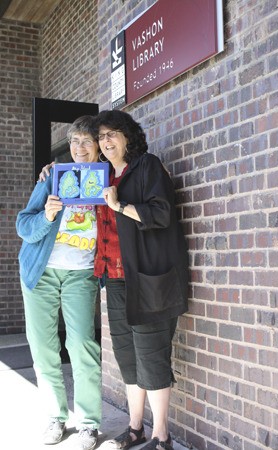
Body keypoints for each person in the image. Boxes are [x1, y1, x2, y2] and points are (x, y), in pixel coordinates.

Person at [94, 109, 189, 450]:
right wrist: (50, 172)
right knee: (127, 357)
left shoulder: (147, 166)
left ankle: (162, 434)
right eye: (101, 136)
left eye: (112, 134)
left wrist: (120, 206)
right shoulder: (101, 175)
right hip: (114, 279)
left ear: (127, 136)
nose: (106, 142)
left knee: (151, 355)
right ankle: (135, 428)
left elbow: (161, 213)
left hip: (146, 278)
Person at [16, 116, 102, 450]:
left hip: (81, 273)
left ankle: (89, 424)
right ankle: (55, 417)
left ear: (97, 146)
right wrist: (48, 215)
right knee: (43, 347)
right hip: (42, 272)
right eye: (75, 142)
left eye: (87, 142)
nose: (80, 148)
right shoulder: (53, 176)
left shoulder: (107, 178)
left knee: (82, 344)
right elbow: (24, 225)